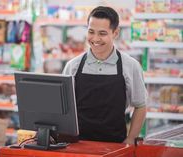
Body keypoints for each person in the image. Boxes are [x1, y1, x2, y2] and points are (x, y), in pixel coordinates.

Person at [63, 6, 147, 145]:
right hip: (78, 145)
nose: (95, 39)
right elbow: (64, 108)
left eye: (102, 33)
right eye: (91, 32)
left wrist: (131, 138)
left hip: (115, 145)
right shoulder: (73, 66)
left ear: (115, 33)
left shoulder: (130, 66)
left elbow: (140, 105)